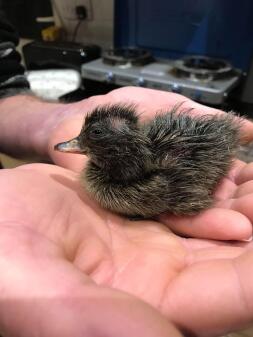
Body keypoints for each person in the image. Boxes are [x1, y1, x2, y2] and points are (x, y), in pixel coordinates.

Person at [1, 8, 253, 337]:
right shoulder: (131, 170)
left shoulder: (141, 185)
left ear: (114, 157)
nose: (76, 146)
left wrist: (49, 122)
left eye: (88, 142)